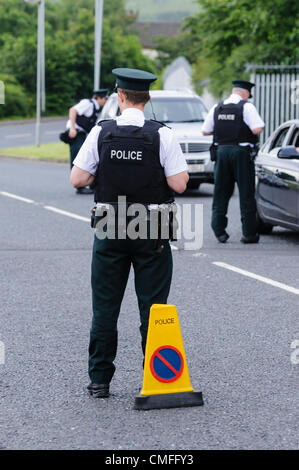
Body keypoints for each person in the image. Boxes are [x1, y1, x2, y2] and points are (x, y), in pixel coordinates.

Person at [70, 68, 189, 398]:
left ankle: (99, 381)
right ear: (147, 98)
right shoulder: (161, 135)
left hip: (110, 225)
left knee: (105, 308)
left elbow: (77, 179)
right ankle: (155, 378)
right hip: (151, 227)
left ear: (119, 97)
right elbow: (179, 183)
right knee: (152, 309)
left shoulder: (101, 133)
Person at [202, 80, 265, 244]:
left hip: (221, 153)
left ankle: (219, 231)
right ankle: (249, 234)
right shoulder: (247, 106)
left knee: (221, 193)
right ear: (245, 93)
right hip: (241, 154)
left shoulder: (218, 107)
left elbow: (205, 131)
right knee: (246, 193)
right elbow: (257, 128)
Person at [67, 89, 109, 194]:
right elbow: (73, 110)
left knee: (80, 157)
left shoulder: (95, 108)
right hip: (76, 133)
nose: (105, 101)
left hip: (81, 134)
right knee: (77, 158)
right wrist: (72, 128)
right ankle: (80, 186)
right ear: (98, 98)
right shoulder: (88, 103)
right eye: (104, 98)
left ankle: (86, 185)